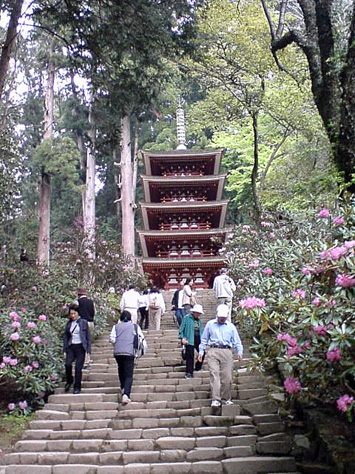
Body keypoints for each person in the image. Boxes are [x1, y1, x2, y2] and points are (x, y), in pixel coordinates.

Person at [198, 304, 243, 407]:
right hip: (213, 350)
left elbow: (237, 341)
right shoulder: (210, 324)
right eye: (220, 317)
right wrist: (201, 352)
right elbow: (204, 339)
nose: (222, 319)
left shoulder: (231, 327)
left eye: (223, 318)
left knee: (227, 377)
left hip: (226, 351)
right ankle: (216, 399)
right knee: (215, 375)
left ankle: (226, 398)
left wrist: (239, 352)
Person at [109, 310, 147, 404]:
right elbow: (141, 338)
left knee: (121, 370)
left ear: (120, 318)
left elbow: (112, 339)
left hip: (118, 352)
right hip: (129, 352)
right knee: (128, 374)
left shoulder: (116, 327)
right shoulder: (135, 326)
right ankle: (126, 394)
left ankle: (123, 388)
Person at [63, 304, 91, 394]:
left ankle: (77, 387)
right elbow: (66, 336)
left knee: (78, 368)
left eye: (74, 313)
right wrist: (64, 349)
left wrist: (88, 350)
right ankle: (69, 380)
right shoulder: (69, 323)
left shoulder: (83, 322)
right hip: (71, 346)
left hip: (80, 347)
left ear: (78, 313)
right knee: (67, 364)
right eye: (71, 314)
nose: (73, 316)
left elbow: (88, 337)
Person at [179, 303, 205, 379]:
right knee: (190, 356)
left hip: (198, 338)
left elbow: (201, 330)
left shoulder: (199, 320)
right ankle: (189, 372)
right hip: (189, 339)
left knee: (202, 353)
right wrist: (182, 337)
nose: (198, 314)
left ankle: (198, 366)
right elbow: (181, 329)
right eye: (197, 312)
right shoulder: (186, 318)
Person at [77, 287, 95, 367]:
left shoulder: (77, 302)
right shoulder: (90, 302)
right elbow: (93, 313)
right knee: (88, 341)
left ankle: (84, 360)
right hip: (90, 322)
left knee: (82, 341)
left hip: (81, 323)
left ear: (78, 294)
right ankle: (88, 358)